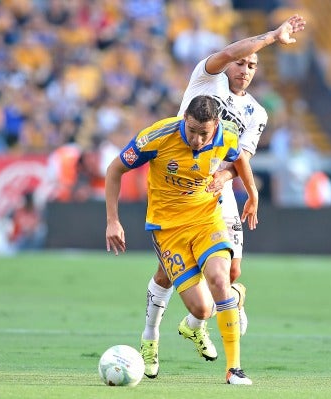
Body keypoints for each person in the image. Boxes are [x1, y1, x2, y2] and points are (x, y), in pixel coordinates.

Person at [137, 13, 306, 379]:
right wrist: (273, 37)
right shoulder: (207, 79)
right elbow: (232, 49)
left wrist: (229, 180)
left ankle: (196, 325)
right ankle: (151, 336)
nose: (245, 69)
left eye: (252, 66)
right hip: (177, 191)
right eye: (241, 62)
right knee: (168, 273)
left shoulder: (256, 113)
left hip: (218, 194)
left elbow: (240, 159)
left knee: (230, 272)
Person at [105, 95, 259, 385]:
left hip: (206, 219)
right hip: (168, 229)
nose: (198, 140)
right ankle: (229, 300)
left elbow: (238, 158)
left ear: (215, 127)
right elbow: (115, 170)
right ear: (184, 119)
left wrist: (248, 190)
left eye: (205, 133)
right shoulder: (157, 136)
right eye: (192, 131)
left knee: (219, 279)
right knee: (201, 309)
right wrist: (113, 220)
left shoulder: (226, 133)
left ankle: (234, 369)